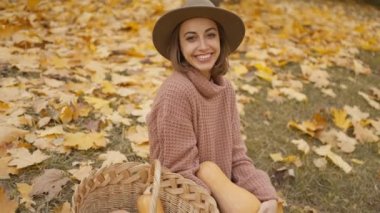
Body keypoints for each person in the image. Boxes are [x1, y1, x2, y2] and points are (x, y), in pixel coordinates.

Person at [147, 0, 279, 212]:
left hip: (220, 195)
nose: (203, 46)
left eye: (210, 35)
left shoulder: (225, 90)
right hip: (184, 200)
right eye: (191, 38)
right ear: (179, 46)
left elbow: (237, 158)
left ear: (220, 39)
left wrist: (267, 196)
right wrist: (215, 207)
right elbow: (179, 175)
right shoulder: (176, 94)